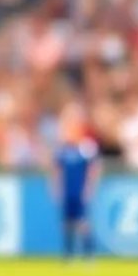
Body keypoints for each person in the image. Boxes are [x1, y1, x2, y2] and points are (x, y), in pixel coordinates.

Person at [49, 106, 100, 263]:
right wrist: (56, 188)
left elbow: (93, 169)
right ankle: (69, 254)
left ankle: (88, 254)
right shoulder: (63, 149)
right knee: (67, 223)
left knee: (83, 222)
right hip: (67, 191)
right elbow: (57, 171)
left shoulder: (86, 147)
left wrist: (89, 188)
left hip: (79, 190)